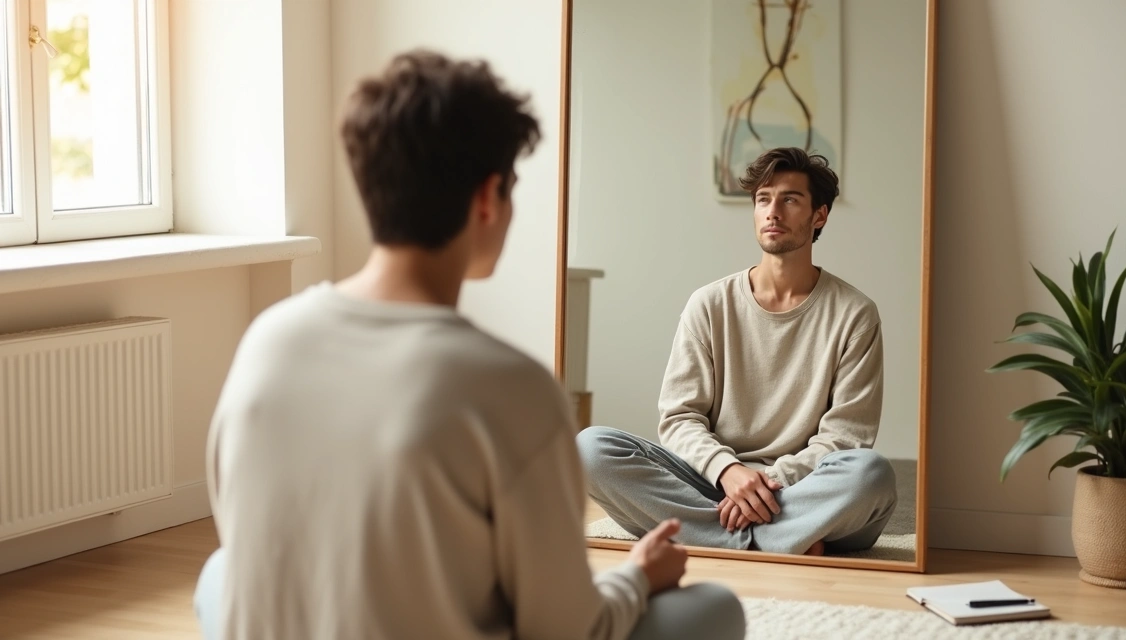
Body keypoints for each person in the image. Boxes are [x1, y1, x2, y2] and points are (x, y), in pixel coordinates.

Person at [192, 50, 745, 640]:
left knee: (220, 573)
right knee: (714, 608)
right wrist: (636, 576)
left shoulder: (267, 339)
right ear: (487, 198)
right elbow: (567, 629)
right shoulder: (511, 387)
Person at [577, 148, 897, 557]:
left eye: (790, 199)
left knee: (870, 475)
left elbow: (845, 437)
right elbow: (680, 418)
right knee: (590, 449)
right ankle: (785, 537)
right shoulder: (709, 304)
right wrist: (728, 471)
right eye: (763, 199)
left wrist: (767, 485)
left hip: (802, 486)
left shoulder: (855, 314)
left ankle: (712, 533)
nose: (773, 212)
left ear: (819, 216)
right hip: (712, 480)